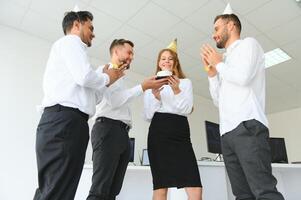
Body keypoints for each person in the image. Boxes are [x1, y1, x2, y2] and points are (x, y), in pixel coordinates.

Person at [34, 11, 123, 200]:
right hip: (65, 122)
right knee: (57, 190)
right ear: (76, 25)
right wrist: (107, 77)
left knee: (56, 189)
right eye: (90, 27)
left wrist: (107, 80)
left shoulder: (71, 56)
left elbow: (92, 97)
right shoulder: (71, 42)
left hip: (67, 123)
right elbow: (84, 77)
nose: (93, 33)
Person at [200, 4, 285, 200]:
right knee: (242, 195)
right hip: (227, 134)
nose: (214, 35)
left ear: (230, 26)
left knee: (264, 191)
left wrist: (219, 64)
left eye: (216, 29)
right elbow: (218, 100)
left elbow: (244, 77)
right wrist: (213, 74)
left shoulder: (249, 45)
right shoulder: (225, 61)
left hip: (248, 126)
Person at [87, 39, 168, 200]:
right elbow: (115, 101)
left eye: (132, 54)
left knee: (113, 191)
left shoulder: (120, 79)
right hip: (107, 130)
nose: (131, 57)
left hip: (121, 134)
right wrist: (143, 87)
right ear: (116, 52)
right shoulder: (105, 72)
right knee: (100, 190)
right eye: (129, 52)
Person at [144, 39, 202, 200]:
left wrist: (177, 90)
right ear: (159, 63)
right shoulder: (151, 85)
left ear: (175, 63)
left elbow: (186, 109)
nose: (166, 61)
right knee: (161, 188)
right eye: (163, 58)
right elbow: (148, 115)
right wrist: (155, 97)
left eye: (170, 58)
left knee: (195, 189)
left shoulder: (185, 83)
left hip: (180, 134)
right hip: (158, 133)